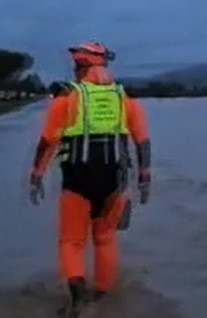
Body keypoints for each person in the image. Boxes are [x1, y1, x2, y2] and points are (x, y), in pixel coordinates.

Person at [28, 41, 151, 317]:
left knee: (71, 242)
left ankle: (78, 296)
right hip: (114, 182)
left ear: (80, 67)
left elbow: (47, 142)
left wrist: (37, 175)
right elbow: (142, 141)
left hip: (77, 181)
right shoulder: (123, 97)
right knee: (105, 238)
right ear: (104, 66)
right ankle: (104, 296)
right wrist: (145, 177)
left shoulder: (66, 98)